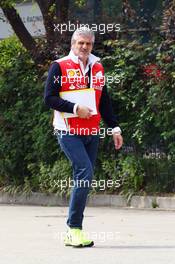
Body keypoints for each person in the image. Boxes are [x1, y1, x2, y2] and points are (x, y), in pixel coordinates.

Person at [44, 27, 123, 248]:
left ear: (92, 45)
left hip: (91, 132)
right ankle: (74, 229)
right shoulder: (59, 66)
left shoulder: (98, 67)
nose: (84, 47)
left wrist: (115, 128)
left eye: (88, 43)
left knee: (84, 179)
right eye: (80, 43)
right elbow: (49, 98)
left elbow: (103, 101)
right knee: (84, 171)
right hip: (67, 130)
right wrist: (75, 107)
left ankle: (74, 229)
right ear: (73, 44)